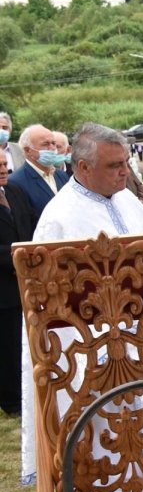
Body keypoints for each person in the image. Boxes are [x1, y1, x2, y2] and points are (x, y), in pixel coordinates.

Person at [22, 123, 143, 492]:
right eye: (114, 165)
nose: (124, 172)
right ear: (82, 167)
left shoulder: (127, 201)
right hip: (89, 355)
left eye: (125, 163)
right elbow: (52, 311)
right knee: (103, 437)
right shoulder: (59, 219)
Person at [0, 154, 33, 415]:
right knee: (7, 345)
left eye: (4, 164)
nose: (5, 169)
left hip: (25, 282)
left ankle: (25, 392)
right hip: (3, 285)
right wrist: (16, 257)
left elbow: (29, 226)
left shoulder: (14, 191)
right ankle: (11, 401)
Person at [10, 124, 69, 228]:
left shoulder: (62, 176)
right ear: (28, 150)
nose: (52, 148)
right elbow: (24, 226)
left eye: (53, 143)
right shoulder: (15, 183)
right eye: (46, 144)